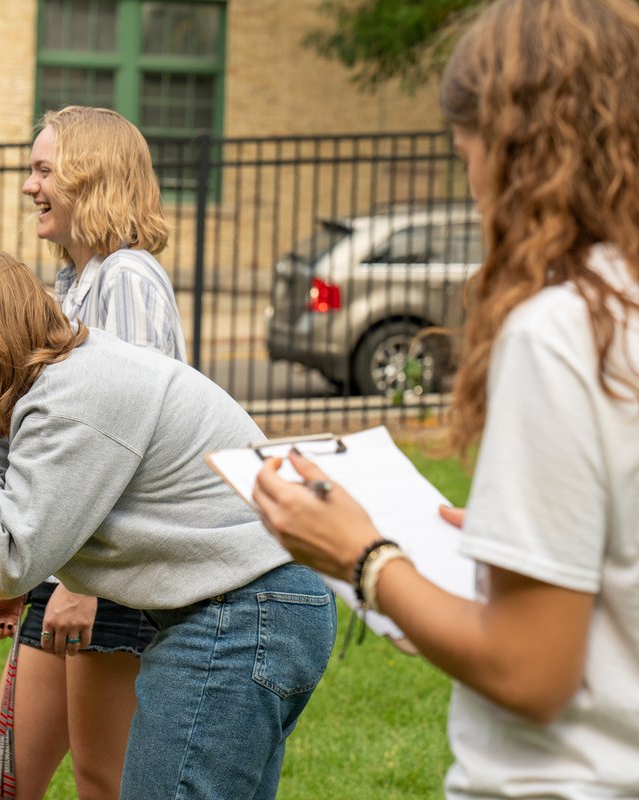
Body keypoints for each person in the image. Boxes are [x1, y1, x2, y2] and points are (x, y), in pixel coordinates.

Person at [251, 0, 639, 797]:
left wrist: (364, 558)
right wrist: (513, 539)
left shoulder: (560, 331)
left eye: (466, 152)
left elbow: (530, 671)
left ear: (513, 150)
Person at [0, 250, 335, 800]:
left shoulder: (74, 397)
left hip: (244, 613)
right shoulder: (48, 387)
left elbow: (8, 559)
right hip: (257, 607)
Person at [0, 104, 187, 800]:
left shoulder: (127, 278)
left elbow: (121, 446)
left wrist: (78, 588)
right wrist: (19, 581)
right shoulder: (77, 284)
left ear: (90, 177)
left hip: (107, 579)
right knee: (1, 781)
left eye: (43, 170)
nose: (29, 186)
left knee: (103, 782)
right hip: (70, 574)